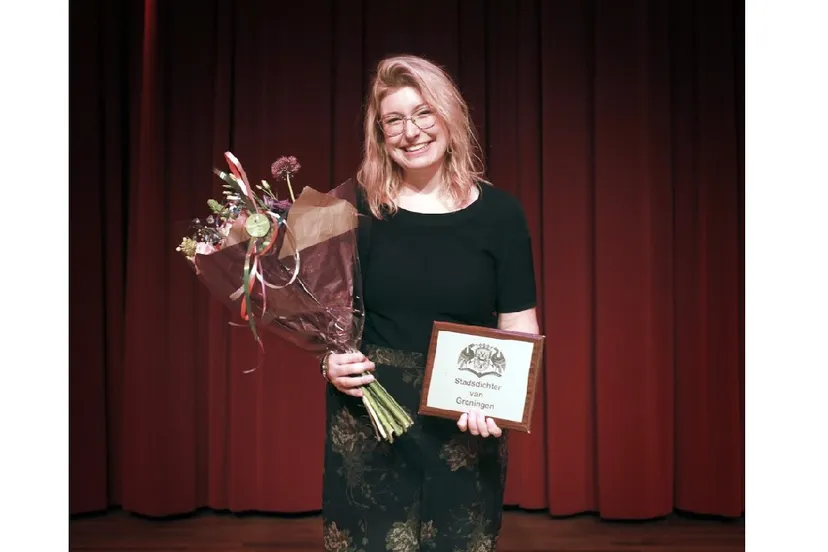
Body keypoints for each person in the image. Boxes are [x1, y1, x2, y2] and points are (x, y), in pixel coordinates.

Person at [320, 54, 539, 552]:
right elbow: (319, 312)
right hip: (370, 418)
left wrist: (499, 403)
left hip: (464, 425)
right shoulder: (352, 209)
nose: (411, 132)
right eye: (394, 120)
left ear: (449, 116)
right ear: (379, 133)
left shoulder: (501, 215)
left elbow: (518, 323)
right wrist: (327, 362)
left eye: (424, 113)